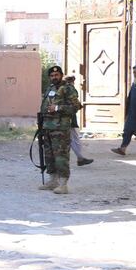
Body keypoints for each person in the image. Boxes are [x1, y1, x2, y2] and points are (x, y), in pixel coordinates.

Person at [38, 65, 82, 194]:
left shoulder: (68, 89)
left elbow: (76, 107)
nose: (54, 77)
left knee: (61, 157)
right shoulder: (50, 88)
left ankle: (63, 184)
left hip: (61, 129)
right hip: (47, 127)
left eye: (56, 75)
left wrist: (57, 108)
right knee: (49, 156)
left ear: (61, 75)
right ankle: (53, 181)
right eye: (52, 76)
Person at [111, 64, 136, 156]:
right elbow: (130, 97)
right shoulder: (135, 83)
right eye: (134, 72)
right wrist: (127, 111)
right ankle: (122, 149)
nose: (135, 74)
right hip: (132, 113)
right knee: (127, 130)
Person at [63, 75, 93, 166]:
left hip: (63, 118)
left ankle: (79, 158)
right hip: (70, 117)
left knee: (71, 138)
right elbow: (74, 102)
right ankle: (80, 158)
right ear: (72, 81)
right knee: (73, 139)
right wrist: (79, 106)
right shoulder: (70, 89)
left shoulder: (60, 88)